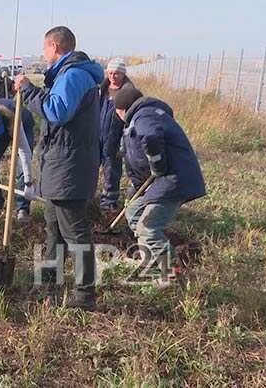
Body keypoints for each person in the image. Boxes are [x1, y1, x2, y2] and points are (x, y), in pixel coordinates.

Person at [15, 26, 104, 311]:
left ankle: (84, 297)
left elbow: (57, 111)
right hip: (59, 167)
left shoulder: (74, 75)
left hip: (70, 168)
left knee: (75, 234)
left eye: (45, 48)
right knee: (53, 233)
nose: (43, 54)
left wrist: (29, 91)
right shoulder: (67, 75)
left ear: (54, 46)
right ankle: (47, 288)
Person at [113, 87, 206, 286]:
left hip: (173, 181)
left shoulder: (144, 116)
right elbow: (137, 160)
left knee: (148, 226)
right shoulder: (143, 117)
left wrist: (157, 165)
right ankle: (150, 259)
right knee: (133, 212)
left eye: (117, 110)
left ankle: (170, 274)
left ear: (122, 109)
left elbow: (151, 138)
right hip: (162, 181)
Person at [98, 58, 136, 210]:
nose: (113, 76)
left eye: (117, 73)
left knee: (111, 171)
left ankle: (109, 201)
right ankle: (89, 198)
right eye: (110, 73)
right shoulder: (101, 90)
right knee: (91, 168)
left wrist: (123, 144)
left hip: (115, 138)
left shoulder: (129, 93)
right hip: (97, 136)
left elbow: (131, 121)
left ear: (123, 74)